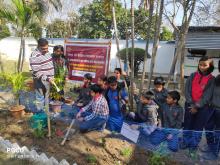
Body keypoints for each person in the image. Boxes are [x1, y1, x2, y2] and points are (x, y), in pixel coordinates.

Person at [181, 56, 215, 151]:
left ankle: (193, 145)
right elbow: (187, 90)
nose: (202, 67)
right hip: (189, 105)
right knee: (188, 124)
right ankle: (185, 142)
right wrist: (191, 104)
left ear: (210, 66)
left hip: (203, 108)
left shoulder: (212, 79)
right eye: (200, 64)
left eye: (205, 65)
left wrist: (197, 106)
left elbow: (207, 95)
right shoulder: (192, 75)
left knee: (198, 127)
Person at [29, 38, 54, 113]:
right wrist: (47, 79)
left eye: (47, 48)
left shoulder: (47, 52)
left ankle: (46, 114)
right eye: (44, 49)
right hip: (40, 80)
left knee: (47, 96)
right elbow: (37, 72)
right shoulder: (34, 56)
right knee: (40, 97)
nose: (46, 50)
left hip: (48, 80)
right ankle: (41, 115)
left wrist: (51, 77)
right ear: (38, 46)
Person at [202, 60, 220, 160]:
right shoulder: (217, 78)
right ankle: (210, 146)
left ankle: (214, 153)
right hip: (212, 108)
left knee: (218, 132)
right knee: (208, 127)